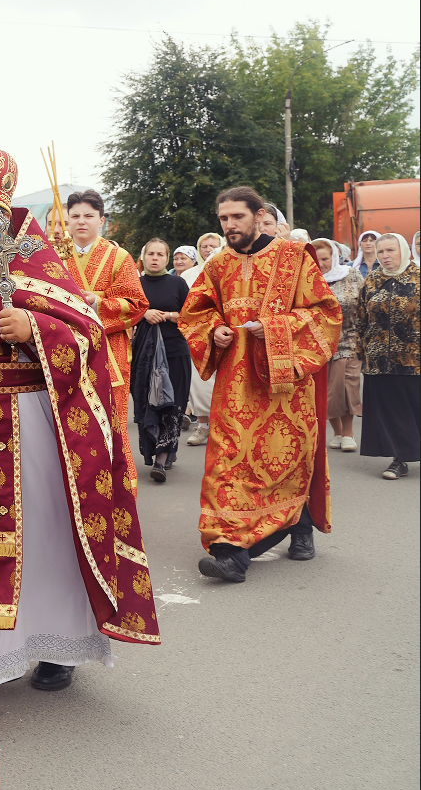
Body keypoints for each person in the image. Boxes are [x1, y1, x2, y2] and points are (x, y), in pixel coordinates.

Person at [0, 146, 159, 696]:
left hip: (25, 429)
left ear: (0, 215)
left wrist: (37, 330)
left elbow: (86, 335)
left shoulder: (36, 268)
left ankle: (54, 642)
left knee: (45, 542)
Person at [179, 186, 341, 583]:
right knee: (227, 465)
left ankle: (299, 526)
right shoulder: (217, 266)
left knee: (285, 461)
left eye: (238, 217)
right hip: (234, 388)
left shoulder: (293, 258)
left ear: (257, 214)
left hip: (284, 387)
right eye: (224, 219)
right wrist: (215, 330)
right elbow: (195, 314)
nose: (230, 225)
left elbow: (326, 314)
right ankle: (228, 550)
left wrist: (273, 329)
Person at [64, 189, 149, 487]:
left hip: (109, 354)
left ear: (101, 220)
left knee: (111, 429)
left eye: (88, 216)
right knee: (71, 430)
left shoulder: (119, 257)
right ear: (67, 220)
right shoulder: (55, 256)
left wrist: (98, 302)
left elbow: (137, 304)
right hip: (64, 354)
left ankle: (121, 498)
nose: (81, 222)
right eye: (75, 216)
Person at [356, 233, 420, 480]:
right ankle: (399, 459)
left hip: (414, 360)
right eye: (381, 252)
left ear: (403, 250)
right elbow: (361, 318)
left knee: (415, 409)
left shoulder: (417, 277)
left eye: (391, 251)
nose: (385, 256)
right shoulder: (372, 280)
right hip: (379, 360)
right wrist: (362, 353)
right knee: (393, 412)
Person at [132, 239, 190, 482]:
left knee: (170, 404)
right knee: (148, 404)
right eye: (150, 253)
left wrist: (166, 315)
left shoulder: (177, 283)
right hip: (143, 356)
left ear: (167, 258)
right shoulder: (135, 284)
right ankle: (163, 448)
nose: (155, 258)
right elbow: (125, 311)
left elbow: (192, 315)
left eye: (160, 254)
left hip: (175, 353)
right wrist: (143, 313)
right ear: (143, 257)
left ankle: (162, 460)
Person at [312, 239, 363, 452]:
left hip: (350, 338)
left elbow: (364, 303)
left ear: (335, 256)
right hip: (321, 342)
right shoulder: (309, 281)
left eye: (325, 258)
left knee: (346, 384)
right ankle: (338, 432)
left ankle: (349, 434)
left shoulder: (351, 274)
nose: (322, 263)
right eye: (317, 259)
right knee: (329, 389)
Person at [180, 232, 223, 445]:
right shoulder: (188, 275)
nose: (208, 249)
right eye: (204, 246)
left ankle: (223, 427)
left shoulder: (227, 269)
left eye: (213, 245)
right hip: (196, 334)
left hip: (223, 334)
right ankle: (203, 425)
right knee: (198, 382)